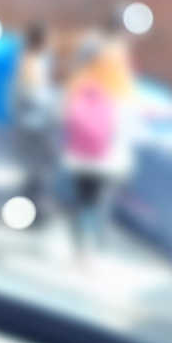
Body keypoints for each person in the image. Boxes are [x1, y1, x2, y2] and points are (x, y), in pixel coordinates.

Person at [59, 34, 134, 261]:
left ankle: (80, 245)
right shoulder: (121, 89)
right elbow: (127, 128)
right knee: (100, 203)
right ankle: (92, 247)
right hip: (107, 158)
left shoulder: (79, 82)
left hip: (79, 155)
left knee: (82, 200)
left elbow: (65, 116)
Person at [10, 23, 59, 221]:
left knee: (36, 172)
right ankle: (31, 214)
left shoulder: (37, 60)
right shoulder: (31, 62)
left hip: (34, 123)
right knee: (36, 172)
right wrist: (54, 103)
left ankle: (32, 212)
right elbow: (32, 95)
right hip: (34, 125)